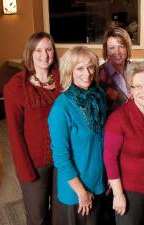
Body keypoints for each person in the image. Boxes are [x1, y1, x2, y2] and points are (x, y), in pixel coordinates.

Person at [103, 61, 144, 225]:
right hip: (129, 191)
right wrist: (118, 195)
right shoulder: (118, 118)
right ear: (130, 89)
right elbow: (109, 158)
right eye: (137, 86)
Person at [4, 31, 61, 225]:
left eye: (48, 49)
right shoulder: (15, 87)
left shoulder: (64, 80)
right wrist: (25, 170)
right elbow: (14, 133)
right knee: (37, 217)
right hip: (35, 164)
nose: (44, 55)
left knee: (60, 214)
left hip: (63, 160)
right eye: (38, 50)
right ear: (30, 53)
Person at [48, 46, 106, 225]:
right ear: (69, 71)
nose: (87, 73)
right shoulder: (61, 108)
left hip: (99, 182)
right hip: (77, 191)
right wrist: (81, 192)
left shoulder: (99, 96)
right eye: (79, 68)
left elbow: (104, 141)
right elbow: (60, 158)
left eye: (90, 67)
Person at [98, 26, 132, 112]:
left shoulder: (138, 70)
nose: (117, 52)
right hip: (113, 122)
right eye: (112, 48)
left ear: (127, 48)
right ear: (106, 50)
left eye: (121, 46)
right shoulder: (99, 75)